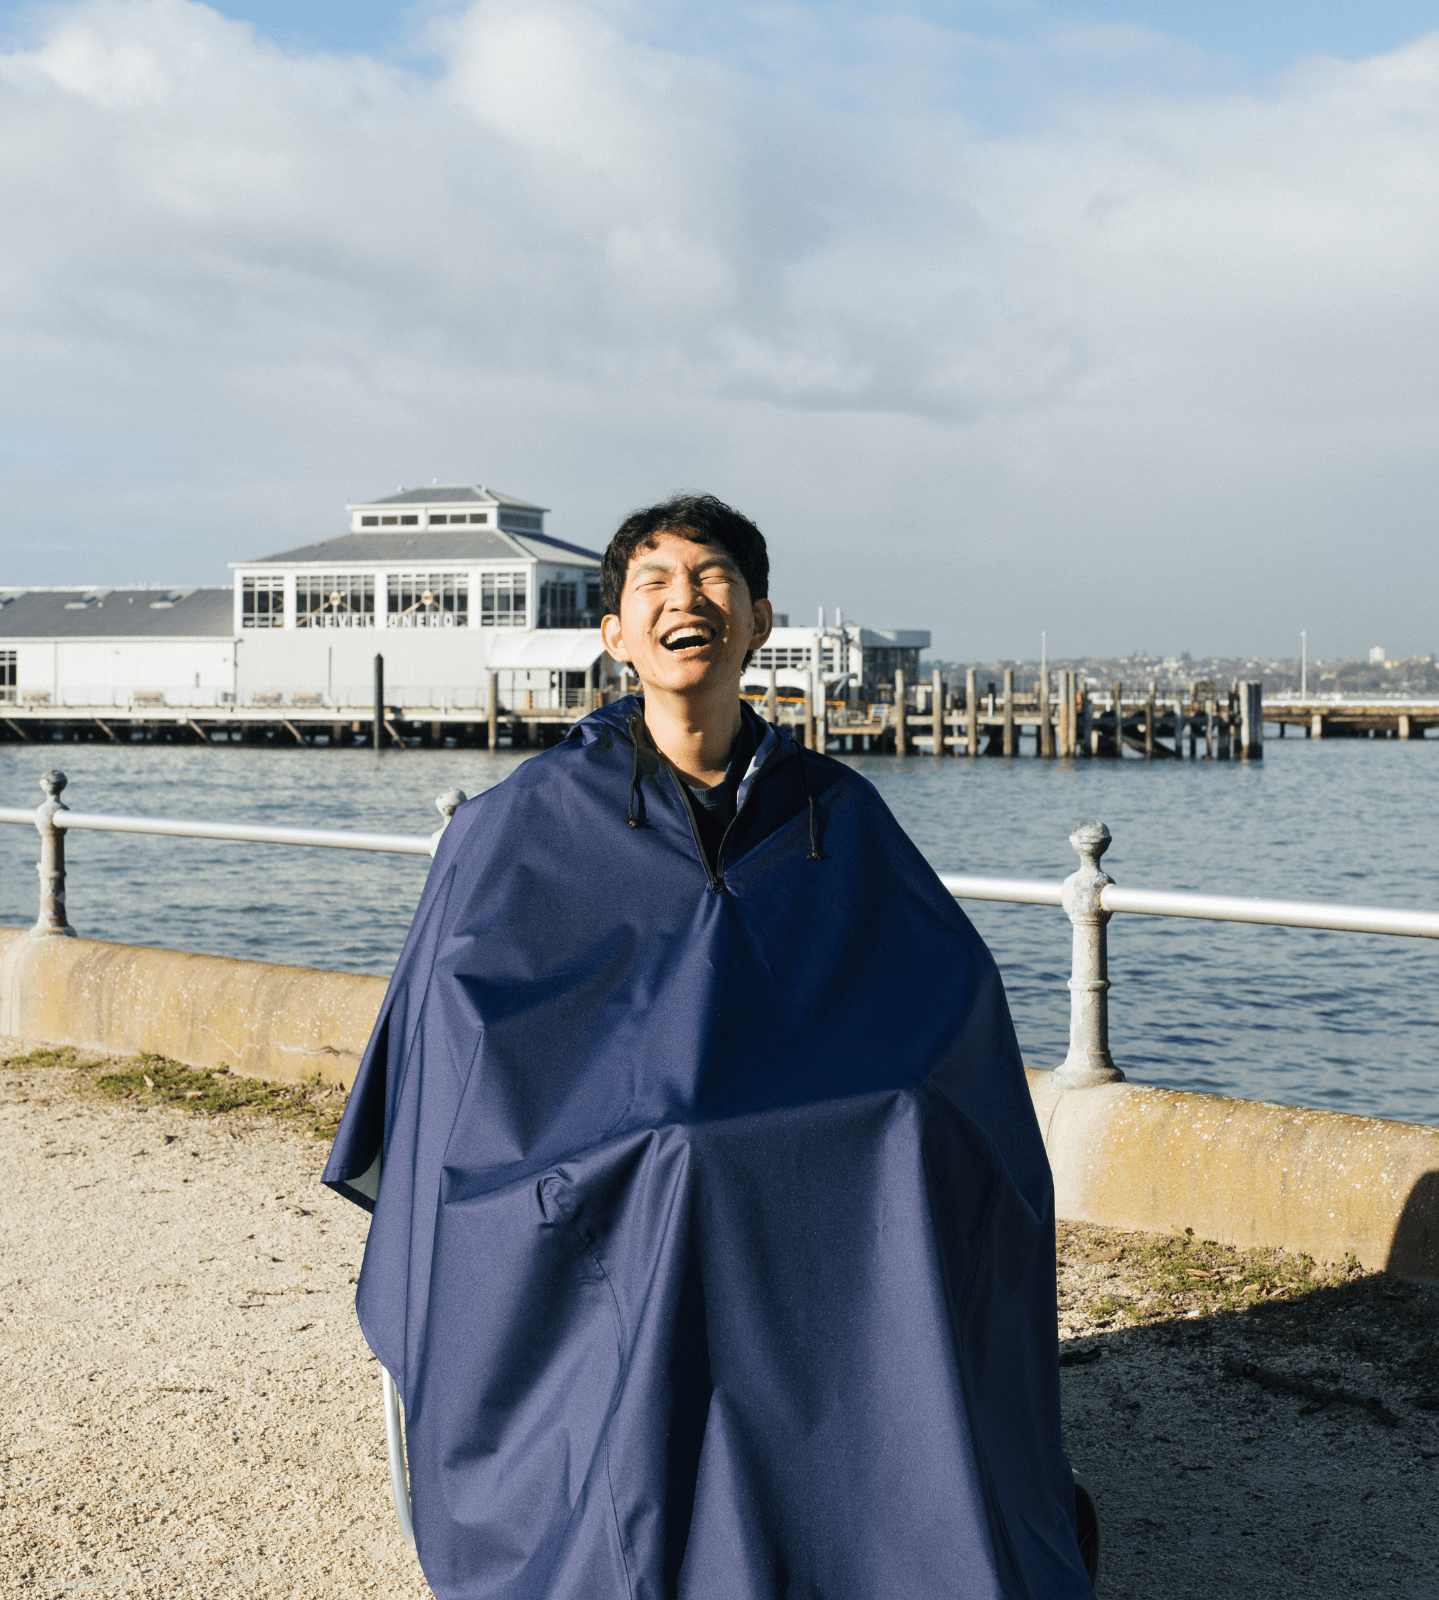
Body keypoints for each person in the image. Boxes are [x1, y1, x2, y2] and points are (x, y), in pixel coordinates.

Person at [323, 494, 1095, 1599]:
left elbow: (945, 998)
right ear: (616, 635)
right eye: (654, 582)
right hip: (585, 1163)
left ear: (762, 618)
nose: (686, 596)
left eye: (715, 574)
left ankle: (890, 1512)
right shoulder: (524, 821)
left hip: (808, 1141)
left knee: (911, 1141)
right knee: (681, 1159)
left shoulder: (837, 812)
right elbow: (461, 1037)